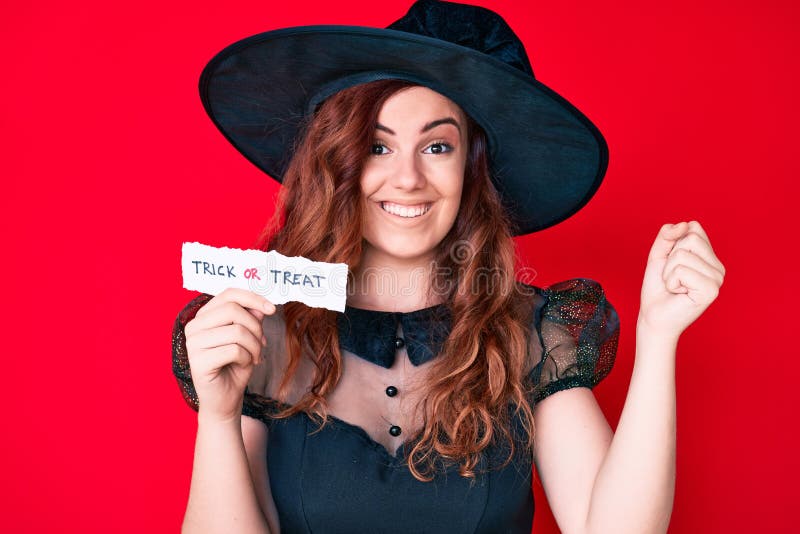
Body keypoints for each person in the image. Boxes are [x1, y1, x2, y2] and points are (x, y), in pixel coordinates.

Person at [171, 1, 726, 532]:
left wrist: (659, 337)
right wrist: (218, 420)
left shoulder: (532, 333)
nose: (408, 178)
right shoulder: (265, 335)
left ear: (471, 170)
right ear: (338, 163)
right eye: (377, 147)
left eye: (437, 147)